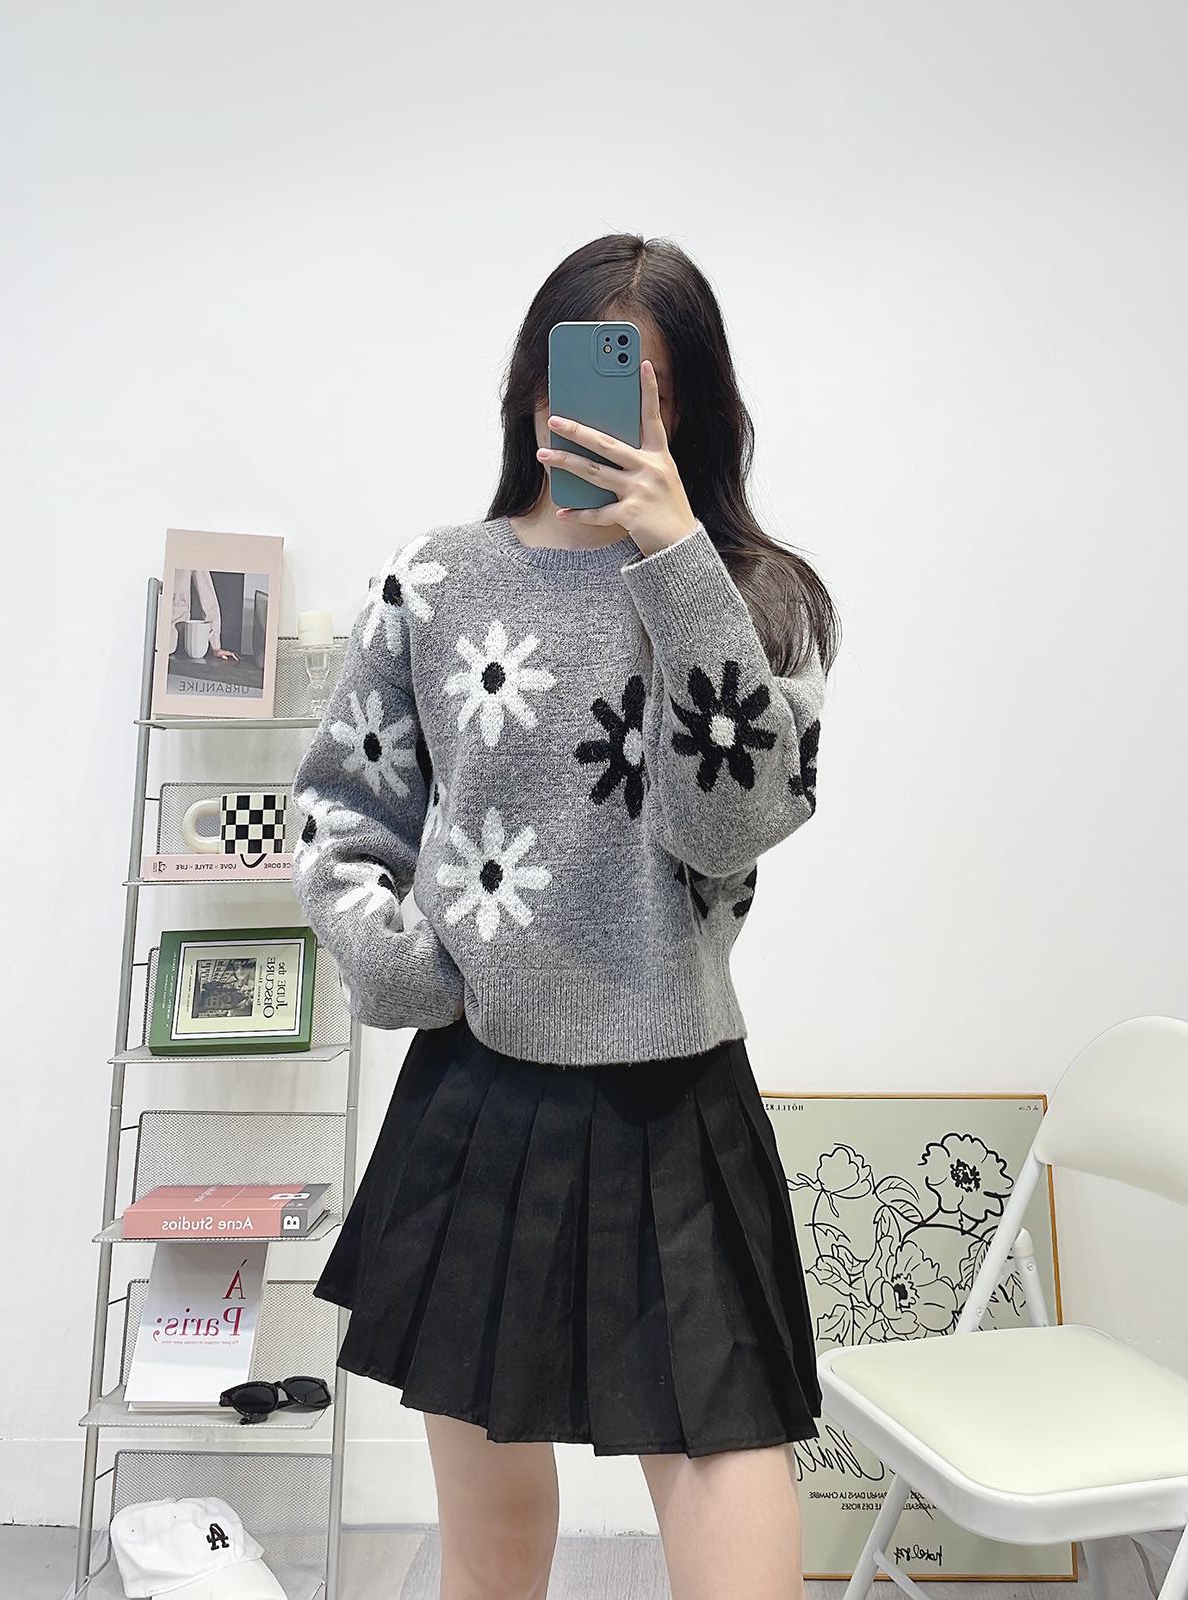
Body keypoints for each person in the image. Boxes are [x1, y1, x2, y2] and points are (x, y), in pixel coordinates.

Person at [290, 233, 839, 1600]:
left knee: (734, 1509)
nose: (600, 418)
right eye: (580, 376)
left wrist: (677, 563)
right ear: (532, 390)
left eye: (646, 389)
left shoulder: (758, 601)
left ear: (690, 407)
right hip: (481, 1092)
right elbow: (342, 813)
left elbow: (724, 828)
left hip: (678, 1097)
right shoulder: (437, 580)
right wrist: (414, 969)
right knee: (488, 1549)